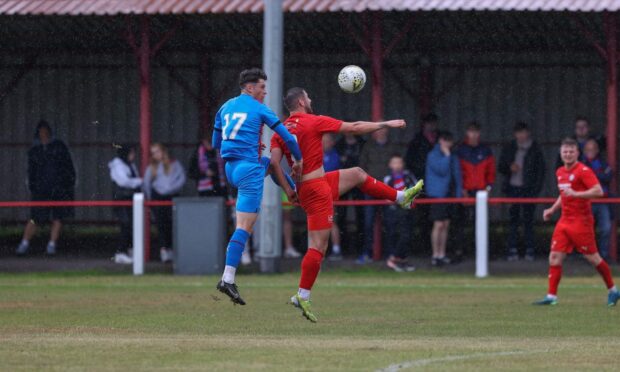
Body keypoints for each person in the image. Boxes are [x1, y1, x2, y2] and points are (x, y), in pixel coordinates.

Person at [270, 87, 423, 322]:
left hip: (309, 186)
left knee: (358, 174)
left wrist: (289, 189)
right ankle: (302, 295)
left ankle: (401, 198)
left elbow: (273, 164)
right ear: (301, 101)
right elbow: (354, 127)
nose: (311, 99)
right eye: (308, 97)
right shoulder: (313, 121)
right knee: (318, 247)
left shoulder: (279, 131)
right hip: (316, 189)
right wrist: (387, 124)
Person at [213, 68, 303, 306]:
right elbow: (289, 138)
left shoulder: (225, 107)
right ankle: (227, 278)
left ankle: (294, 193)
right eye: (262, 87)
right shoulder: (260, 108)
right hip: (249, 170)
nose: (265, 92)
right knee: (244, 227)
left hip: (231, 168)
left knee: (271, 164)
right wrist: (299, 160)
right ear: (250, 88)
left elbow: (216, 142)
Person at [533, 138, 620, 307]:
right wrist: (552, 209)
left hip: (582, 222)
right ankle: (551, 296)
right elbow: (564, 194)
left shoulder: (583, 171)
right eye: (565, 151)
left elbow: (598, 191)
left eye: (571, 151)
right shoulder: (559, 171)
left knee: (593, 258)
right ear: (561, 153)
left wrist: (576, 194)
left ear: (577, 153)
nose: (568, 154)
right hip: (565, 221)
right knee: (555, 257)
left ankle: (613, 290)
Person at [16, 120, 76, 256]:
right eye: (41, 131)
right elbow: (31, 172)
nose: (44, 133)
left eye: (46, 131)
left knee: (57, 217)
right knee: (35, 217)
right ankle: (24, 243)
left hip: (58, 189)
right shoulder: (34, 150)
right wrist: (33, 187)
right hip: (40, 190)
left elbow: (68, 168)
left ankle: (51, 244)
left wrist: (67, 185)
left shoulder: (59, 147)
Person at [498, 122, 546, 261]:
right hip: (513, 189)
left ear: (528, 133)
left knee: (528, 220)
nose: (521, 135)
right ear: (515, 134)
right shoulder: (510, 148)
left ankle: (529, 250)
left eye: (523, 132)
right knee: (513, 220)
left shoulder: (535, 149)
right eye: (518, 133)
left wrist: (535, 190)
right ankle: (512, 249)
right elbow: (501, 167)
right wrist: (509, 167)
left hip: (529, 190)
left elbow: (541, 171)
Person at [358, 128, 405, 263]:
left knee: (390, 223)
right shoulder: (367, 147)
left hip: (387, 189)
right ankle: (367, 252)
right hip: (370, 189)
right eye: (378, 129)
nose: (381, 132)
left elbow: (398, 166)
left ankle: (391, 254)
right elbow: (362, 166)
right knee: (368, 223)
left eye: (383, 130)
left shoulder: (393, 147)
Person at [454, 121, 495, 259]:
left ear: (479, 133)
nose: (473, 134)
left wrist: (489, 188)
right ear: (467, 132)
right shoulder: (460, 150)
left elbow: (491, 172)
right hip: (466, 191)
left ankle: (482, 252)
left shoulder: (485, 150)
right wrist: (462, 190)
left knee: (481, 222)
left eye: (476, 131)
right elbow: (457, 172)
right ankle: (460, 251)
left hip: (482, 192)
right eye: (471, 131)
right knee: (461, 223)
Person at [143, 143, 186, 263]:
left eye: (157, 151)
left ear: (163, 151)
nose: (156, 155)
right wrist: (150, 198)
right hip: (158, 198)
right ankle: (164, 250)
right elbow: (146, 183)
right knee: (161, 224)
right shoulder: (152, 167)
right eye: (153, 153)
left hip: (172, 197)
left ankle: (172, 250)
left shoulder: (174, 163)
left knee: (172, 224)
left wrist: (172, 189)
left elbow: (181, 178)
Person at [405, 113, 439, 259]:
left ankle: (435, 250)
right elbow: (410, 162)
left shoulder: (440, 140)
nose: (431, 126)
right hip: (421, 184)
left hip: (437, 185)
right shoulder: (417, 141)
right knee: (422, 217)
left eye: (433, 123)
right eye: (428, 123)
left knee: (438, 218)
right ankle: (424, 247)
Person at [425, 131, 461, 266]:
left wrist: (458, 194)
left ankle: (442, 253)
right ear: (440, 141)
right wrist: (446, 156)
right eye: (445, 140)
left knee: (446, 225)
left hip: (450, 193)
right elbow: (442, 170)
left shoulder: (454, 156)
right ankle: (435, 254)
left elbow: (457, 176)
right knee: (438, 224)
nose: (447, 144)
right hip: (437, 194)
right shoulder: (432, 155)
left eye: (449, 141)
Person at [108, 144, 142, 264]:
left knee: (132, 225)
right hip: (122, 199)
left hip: (131, 199)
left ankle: (130, 250)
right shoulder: (118, 165)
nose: (133, 156)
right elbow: (124, 181)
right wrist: (140, 181)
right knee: (126, 225)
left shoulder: (130, 165)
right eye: (131, 153)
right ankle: (120, 252)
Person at [383, 154, 417, 272]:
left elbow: (416, 189)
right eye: (394, 163)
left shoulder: (408, 176)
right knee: (396, 235)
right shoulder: (388, 179)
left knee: (407, 235)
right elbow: (385, 196)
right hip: (394, 212)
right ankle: (393, 259)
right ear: (390, 165)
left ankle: (402, 260)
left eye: (399, 162)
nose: (397, 165)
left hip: (407, 210)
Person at [335, 133, 366, 253]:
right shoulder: (339, 145)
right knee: (341, 214)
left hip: (359, 182)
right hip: (342, 180)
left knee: (361, 214)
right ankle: (343, 245)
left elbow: (364, 162)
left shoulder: (362, 144)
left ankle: (360, 245)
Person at [583, 139, 613, 260]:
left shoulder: (603, 163)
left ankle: (603, 256)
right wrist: (598, 176)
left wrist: (593, 175)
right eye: (588, 150)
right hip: (587, 202)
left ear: (597, 150)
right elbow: (582, 180)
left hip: (602, 201)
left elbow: (609, 176)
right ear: (584, 151)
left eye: (593, 149)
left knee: (606, 228)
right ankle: (588, 256)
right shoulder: (581, 164)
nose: (591, 152)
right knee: (586, 231)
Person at [322, 133, 342, 260]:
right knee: (317, 222)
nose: (324, 143)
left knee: (331, 222)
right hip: (316, 193)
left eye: (327, 141)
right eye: (322, 141)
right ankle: (318, 251)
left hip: (329, 193)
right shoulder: (314, 154)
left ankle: (336, 249)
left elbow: (328, 172)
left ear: (332, 142)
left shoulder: (334, 156)